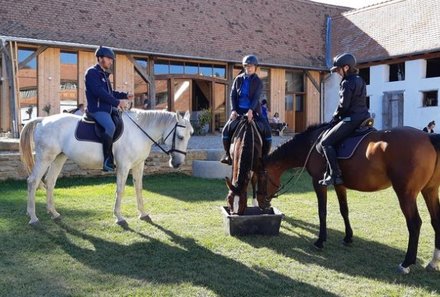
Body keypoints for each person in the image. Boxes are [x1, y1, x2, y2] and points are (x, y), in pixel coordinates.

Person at [318, 53, 370, 186]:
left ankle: (335, 175)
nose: (338, 73)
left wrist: (335, 118)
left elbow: (343, 106)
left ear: (346, 68)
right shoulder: (360, 80)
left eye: (338, 70)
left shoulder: (347, 83)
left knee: (325, 142)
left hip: (351, 119)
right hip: (364, 117)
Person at [85, 46, 132, 172]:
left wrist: (124, 95)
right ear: (100, 58)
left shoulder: (104, 76)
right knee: (110, 127)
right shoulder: (92, 73)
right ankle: (107, 160)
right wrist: (117, 102)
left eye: (112, 59)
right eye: (109, 59)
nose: (111, 62)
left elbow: (110, 92)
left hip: (107, 109)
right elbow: (99, 92)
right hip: (96, 110)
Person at [220, 55, 272, 165]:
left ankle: (265, 158)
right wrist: (233, 110)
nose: (249, 68)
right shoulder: (238, 79)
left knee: (267, 130)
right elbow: (232, 95)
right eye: (247, 66)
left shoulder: (258, 81)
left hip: (254, 111)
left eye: (251, 66)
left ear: (255, 67)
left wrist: (250, 110)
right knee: (225, 130)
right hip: (238, 112)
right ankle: (227, 155)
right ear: (244, 67)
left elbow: (256, 97)